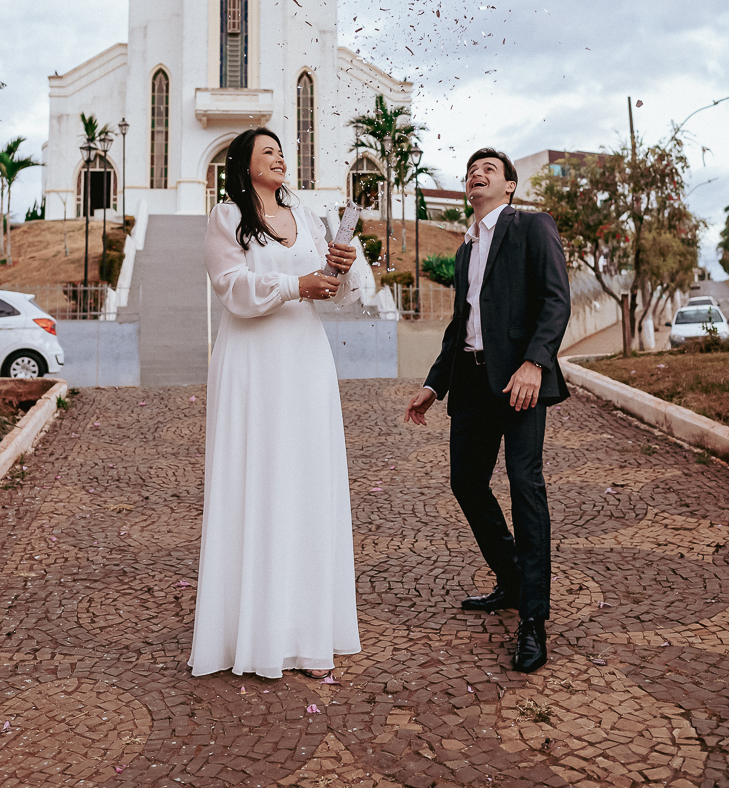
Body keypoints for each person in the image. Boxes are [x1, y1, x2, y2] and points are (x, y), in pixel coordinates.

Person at [189, 126, 362, 681]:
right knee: (257, 480)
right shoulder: (226, 218)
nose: (280, 157)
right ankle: (253, 634)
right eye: (268, 152)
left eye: (282, 151)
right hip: (253, 364)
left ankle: (307, 633)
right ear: (244, 164)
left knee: (306, 484)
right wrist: (294, 286)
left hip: (306, 361)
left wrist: (342, 268)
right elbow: (232, 288)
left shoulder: (307, 217)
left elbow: (337, 291)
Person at [405, 147, 571, 674]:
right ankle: (512, 578)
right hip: (473, 381)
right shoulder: (465, 248)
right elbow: (461, 324)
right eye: (471, 171)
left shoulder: (532, 226)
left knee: (525, 485)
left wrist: (535, 363)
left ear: (510, 185)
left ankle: (533, 620)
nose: (477, 174)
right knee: (466, 482)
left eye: (489, 169)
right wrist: (434, 384)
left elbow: (556, 300)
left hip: (521, 380)